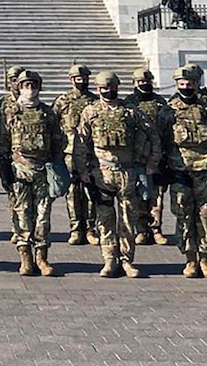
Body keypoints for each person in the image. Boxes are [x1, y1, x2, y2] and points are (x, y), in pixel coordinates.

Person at [73, 71, 160, 278]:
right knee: (105, 220)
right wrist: (82, 170)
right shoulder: (90, 111)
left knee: (128, 219)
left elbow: (153, 135)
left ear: (117, 88)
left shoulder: (131, 111)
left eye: (111, 88)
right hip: (101, 173)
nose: (107, 91)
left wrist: (152, 163)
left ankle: (127, 260)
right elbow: (80, 143)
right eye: (103, 88)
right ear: (98, 89)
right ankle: (109, 260)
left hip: (127, 172)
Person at [159, 66, 207, 279]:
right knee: (183, 215)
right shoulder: (168, 110)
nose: (186, 87)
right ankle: (190, 259)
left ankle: (206, 259)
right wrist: (160, 172)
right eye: (182, 84)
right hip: (179, 171)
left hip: (206, 170)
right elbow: (160, 141)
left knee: (206, 215)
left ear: (196, 83)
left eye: (189, 83)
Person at [0, 70, 65, 276]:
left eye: (33, 85)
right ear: (20, 87)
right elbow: (2, 141)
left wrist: (57, 166)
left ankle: (41, 258)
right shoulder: (11, 111)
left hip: (42, 170)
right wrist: (5, 166)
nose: (30, 88)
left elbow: (57, 140)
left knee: (43, 217)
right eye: (26, 85)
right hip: (19, 171)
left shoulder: (47, 112)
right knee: (23, 215)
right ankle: (25, 257)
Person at [52, 64, 100, 246]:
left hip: (91, 153)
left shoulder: (95, 101)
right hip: (69, 153)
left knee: (90, 192)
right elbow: (53, 126)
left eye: (84, 79)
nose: (81, 82)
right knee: (72, 192)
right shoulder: (62, 101)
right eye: (78, 79)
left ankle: (90, 228)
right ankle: (75, 228)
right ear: (71, 80)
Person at [123, 68, 171, 245]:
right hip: (136, 156)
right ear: (134, 83)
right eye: (140, 82)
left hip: (157, 156)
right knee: (138, 195)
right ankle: (141, 229)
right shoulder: (128, 103)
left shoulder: (160, 102)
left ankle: (156, 228)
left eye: (146, 81)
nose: (144, 84)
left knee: (156, 195)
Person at [0, 65, 25, 244]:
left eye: (18, 80)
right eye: (12, 80)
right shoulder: (4, 103)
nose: (15, 84)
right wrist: (1, 153)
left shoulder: (31, 100)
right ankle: (17, 227)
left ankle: (24, 229)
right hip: (8, 155)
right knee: (12, 192)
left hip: (27, 157)